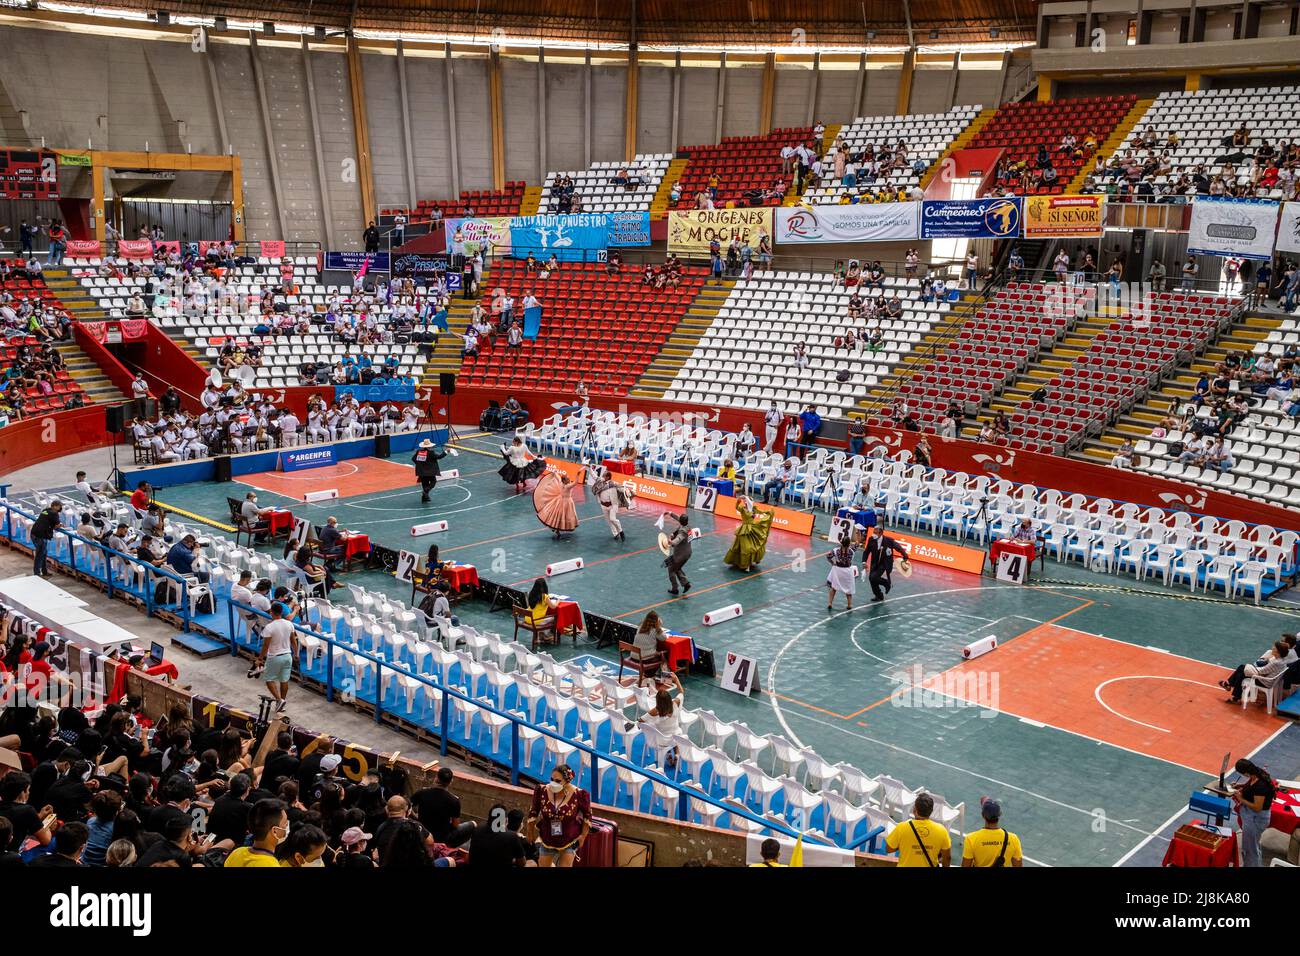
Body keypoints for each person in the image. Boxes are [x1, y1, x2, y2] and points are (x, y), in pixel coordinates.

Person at [527, 764, 591, 868]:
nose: (553, 783)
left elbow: (587, 816)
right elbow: (533, 811)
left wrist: (583, 836)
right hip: (547, 837)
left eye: (557, 781)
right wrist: (529, 832)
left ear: (567, 781)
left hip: (569, 839)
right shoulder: (542, 790)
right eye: (552, 779)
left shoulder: (579, 794)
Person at [410, 767, 475, 849]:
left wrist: (416, 818)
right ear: (451, 782)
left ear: (436, 778)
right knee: (473, 824)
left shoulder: (422, 792)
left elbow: (407, 806)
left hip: (423, 834)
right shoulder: (454, 800)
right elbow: (455, 825)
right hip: (443, 838)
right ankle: (449, 848)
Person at [1229, 758, 1276, 867]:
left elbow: (1257, 807)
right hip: (1253, 817)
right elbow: (1250, 785)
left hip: (1256, 819)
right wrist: (1240, 786)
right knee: (1253, 846)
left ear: (1246, 772)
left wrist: (1241, 799)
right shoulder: (1256, 773)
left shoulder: (1261, 786)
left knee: (1250, 850)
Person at [884, 793, 951, 867]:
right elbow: (947, 857)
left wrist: (904, 845)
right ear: (931, 811)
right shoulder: (941, 830)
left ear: (914, 809)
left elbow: (889, 849)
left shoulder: (901, 827)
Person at [256, 603, 298, 714]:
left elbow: (265, 646)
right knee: (284, 680)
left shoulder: (269, 627)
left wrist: (260, 659)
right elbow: (294, 641)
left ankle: (279, 700)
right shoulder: (289, 624)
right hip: (288, 656)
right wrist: (296, 654)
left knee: (269, 679)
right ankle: (282, 703)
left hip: (274, 657)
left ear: (271, 612)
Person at [224, 799, 288, 867]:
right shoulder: (272, 865)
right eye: (285, 823)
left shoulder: (236, 853)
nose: (287, 826)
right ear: (275, 831)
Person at [962, 798, 1023, 867]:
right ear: (1000, 814)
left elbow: (965, 865)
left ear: (983, 815)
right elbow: (1018, 865)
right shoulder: (1013, 839)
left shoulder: (971, 839)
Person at [724, 496, 773, 572]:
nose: (746, 503)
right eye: (746, 501)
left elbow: (760, 512)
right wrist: (739, 499)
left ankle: (749, 564)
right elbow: (737, 507)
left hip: (753, 529)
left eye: (748, 501)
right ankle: (744, 564)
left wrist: (767, 512)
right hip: (744, 530)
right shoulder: (743, 509)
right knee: (744, 548)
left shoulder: (753, 509)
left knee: (752, 547)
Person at [861, 524, 909, 603]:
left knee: (874, 577)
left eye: (875, 533)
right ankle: (879, 595)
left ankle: (886, 583)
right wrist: (864, 562)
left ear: (881, 533)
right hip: (875, 562)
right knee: (871, 579)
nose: (874, 534)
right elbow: (866, 552)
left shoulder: (888, 541)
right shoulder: (871, 539)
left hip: (885, 563)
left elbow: (898, 547)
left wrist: (904, 555)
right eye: (873, 532)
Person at [533, 469, 578, 540]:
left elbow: (557, 477)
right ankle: (560, 528)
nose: (569, 478)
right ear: (565, 480)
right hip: (566, 502)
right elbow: (575, 482)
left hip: (560, 500)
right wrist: (577, 474)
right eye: (568, 478)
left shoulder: (561, 483)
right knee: (564, 515)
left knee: (558, 515)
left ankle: (556, 529)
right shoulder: (567, 486)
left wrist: (555, 472)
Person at [591, 467, 627, 542]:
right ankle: (615, 534)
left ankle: (621, 532)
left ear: (608, 477)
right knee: (608, 521)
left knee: (612, 519)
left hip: (613, 505)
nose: (602, 477)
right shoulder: (600, 482)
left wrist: (628, 492)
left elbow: (622, 489)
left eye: (604, 476)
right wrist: (589, 468)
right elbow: (594, 476)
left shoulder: (613, 484)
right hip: (603, 505)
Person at [826, 533, 857, 612]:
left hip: (838, 571)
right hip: (847, 571)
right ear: (849, 544)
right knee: (848, 589)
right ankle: (849, 604)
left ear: (841, 542)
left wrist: (832, 563)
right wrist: (858, 533)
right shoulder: (851, 550)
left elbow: (828, 556)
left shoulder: (835, 550)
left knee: (834, 588)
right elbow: (857, 544)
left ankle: (830, 603)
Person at [30, 499, 62, 577]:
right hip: (40, 536)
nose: (61, 508)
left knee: (43, 553)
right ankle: (37, 573)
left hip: (34, 533)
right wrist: (60, 525)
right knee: (40, 555)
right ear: (55, 506)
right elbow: (57, 525)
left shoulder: (45, 510)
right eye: (59, 506)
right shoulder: (54, 513)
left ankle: (44, 571)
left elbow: (47, 521)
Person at [411, 438, 448, 503]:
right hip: (429, 472)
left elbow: (413, 459)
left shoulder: (419, 452)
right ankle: (425, 492)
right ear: (429, 446)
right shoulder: (431, 453)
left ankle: (424, 498)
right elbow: (439, 457)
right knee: (433, 482)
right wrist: (446, 451)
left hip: (421, 472)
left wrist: (420, 464)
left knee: (424, 484)